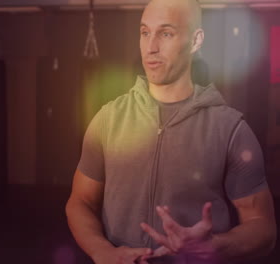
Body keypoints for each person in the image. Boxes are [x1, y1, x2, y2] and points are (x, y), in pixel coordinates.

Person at [65, 0, 276, 263]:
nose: (151, 47)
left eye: (166, 33)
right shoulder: (108, 120)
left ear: (196, 41)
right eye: (145, 33)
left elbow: (263, 228)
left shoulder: (230, 129)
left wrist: (214, 246)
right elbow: (80, 202)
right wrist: (102, 251)